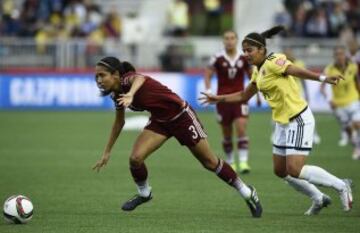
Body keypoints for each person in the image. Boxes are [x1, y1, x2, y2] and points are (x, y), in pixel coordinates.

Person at [200, 26, 353, 216]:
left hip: (298, 118)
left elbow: (294, 70)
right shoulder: (258, 70)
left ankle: (341, 185)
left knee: (294, 168)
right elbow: (243, 96)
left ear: (262, 49)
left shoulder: (274, 60)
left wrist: (322, 78)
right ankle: (318, 198)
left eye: (250, 50)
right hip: (282, 122)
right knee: (280, 170)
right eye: (244, 50)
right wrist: (219, 98)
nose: (246, 54)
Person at [92, 57, 262, 217]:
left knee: (209, 162)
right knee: (135, 159)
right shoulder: (116, 95)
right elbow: (119, 123)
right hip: (160, 122)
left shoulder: (127, 79)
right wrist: (107, 152)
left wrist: (131, 94)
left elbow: (140, 79)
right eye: (96, 76)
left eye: (102, 75)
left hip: (182, 117)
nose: (99, 80)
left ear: (115, 74)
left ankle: (247, 192)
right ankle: (144, 193)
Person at [204, 30, 255, 174]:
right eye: (226, 38)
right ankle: (231, 162)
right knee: (226, 133)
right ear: (223, 40)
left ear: (237, 40)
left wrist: (256, 94)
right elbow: (207, 73)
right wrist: (208, 91)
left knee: (241, 127)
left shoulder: (244, 57)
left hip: (240, 98)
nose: (229, 41)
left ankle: (244, 162)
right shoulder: (217, 57)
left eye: (232, 38)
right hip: (222, 100)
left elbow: (252, 75)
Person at [320, 46, 360, 159]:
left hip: (353, 100)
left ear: (345, 55)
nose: (340, 57)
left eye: (342, 54)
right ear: (334, 56)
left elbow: (357, 82)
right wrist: (329, 99)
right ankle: (356, 147)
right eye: (337, 54)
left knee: (357, 123)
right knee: (348, 130)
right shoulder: (329, 69)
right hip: (338, 105)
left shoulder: (353, 66)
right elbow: (322, 87)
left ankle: (357, 146)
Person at [283, 47, 321, 145]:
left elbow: (303, 80)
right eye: (286, 54)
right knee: (282, 115)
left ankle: (314, 134)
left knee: (308, 115)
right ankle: (279, 134)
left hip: (299, 94)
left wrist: (307, 94)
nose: (288, 55)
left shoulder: (299, 63)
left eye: (289, 53)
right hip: (287, 95)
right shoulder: (281, 65)